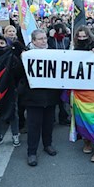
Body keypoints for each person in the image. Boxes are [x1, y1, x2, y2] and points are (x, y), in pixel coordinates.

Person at [19, 29, 61, 166]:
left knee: (49, 123)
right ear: (33, 41)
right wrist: (22, 59)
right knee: (34, 126)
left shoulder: (53, 52)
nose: (44, 41)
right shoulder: (26, 54)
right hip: (33, 97)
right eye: (40, 39)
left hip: (50, 95)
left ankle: (47, 144)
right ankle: (32, 152)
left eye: (45, 38)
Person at [70, 26, 94, 162]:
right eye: (79, 37)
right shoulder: (74, 49)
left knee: (92, 119)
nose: (81, 39)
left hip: (92, 90)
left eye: (84, 37)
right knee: (80, 119)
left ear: (89, 36)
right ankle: (86, 141)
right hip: (78, 90)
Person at [0, 35, 21, 149]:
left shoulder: (12, 57)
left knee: (13, 111)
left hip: (10, 88)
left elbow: (18, 71)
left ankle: (15, 134)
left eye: (1, 43)